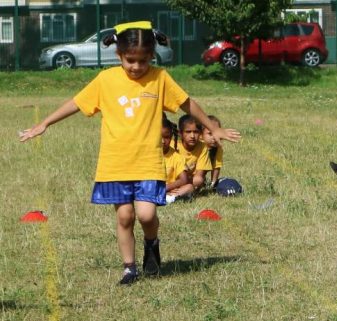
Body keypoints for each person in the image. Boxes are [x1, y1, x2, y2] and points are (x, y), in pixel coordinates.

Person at [19, 21, 239, 285]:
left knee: (147, 215)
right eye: (130, 60)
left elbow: (186, 103)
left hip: (148, 162)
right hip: (115, 164)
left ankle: (151, 244)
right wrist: (44, 123)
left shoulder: (159, 78)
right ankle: (129, 268)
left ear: (152, 56)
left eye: (143, 61)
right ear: (119, 55)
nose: (136, 66)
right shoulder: (106, 80)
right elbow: (76, 103)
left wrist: (213, 128)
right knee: (125, 216)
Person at [161, 114, 193, 203]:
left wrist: (166, 188)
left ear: (171, 136)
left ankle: (169, 198)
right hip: (150, 188)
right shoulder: (147, 155)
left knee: (189, 187)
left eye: (166, 137)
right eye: (159, 137)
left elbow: (184, 179)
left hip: (169, 189)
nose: (163, 141)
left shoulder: (176, 157)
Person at [199, 115, 225, 189]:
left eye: (217, 133)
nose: (214, 137)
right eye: (210, 134)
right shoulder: (198, 146)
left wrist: (213, 183)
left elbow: (216, 166)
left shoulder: (218, 148)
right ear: (201, 135)